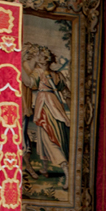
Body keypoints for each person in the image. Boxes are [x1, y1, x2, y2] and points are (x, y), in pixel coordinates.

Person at [22, 43, 72, 188]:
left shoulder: (39, 73)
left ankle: (65, 169)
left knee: (48, 137)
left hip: (45, 107)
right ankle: (45, 167)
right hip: (56, 107)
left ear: (41, 60)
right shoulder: (58, 75)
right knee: (51, 136)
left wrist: (19, 65)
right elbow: (67, 93)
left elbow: (29, 82)